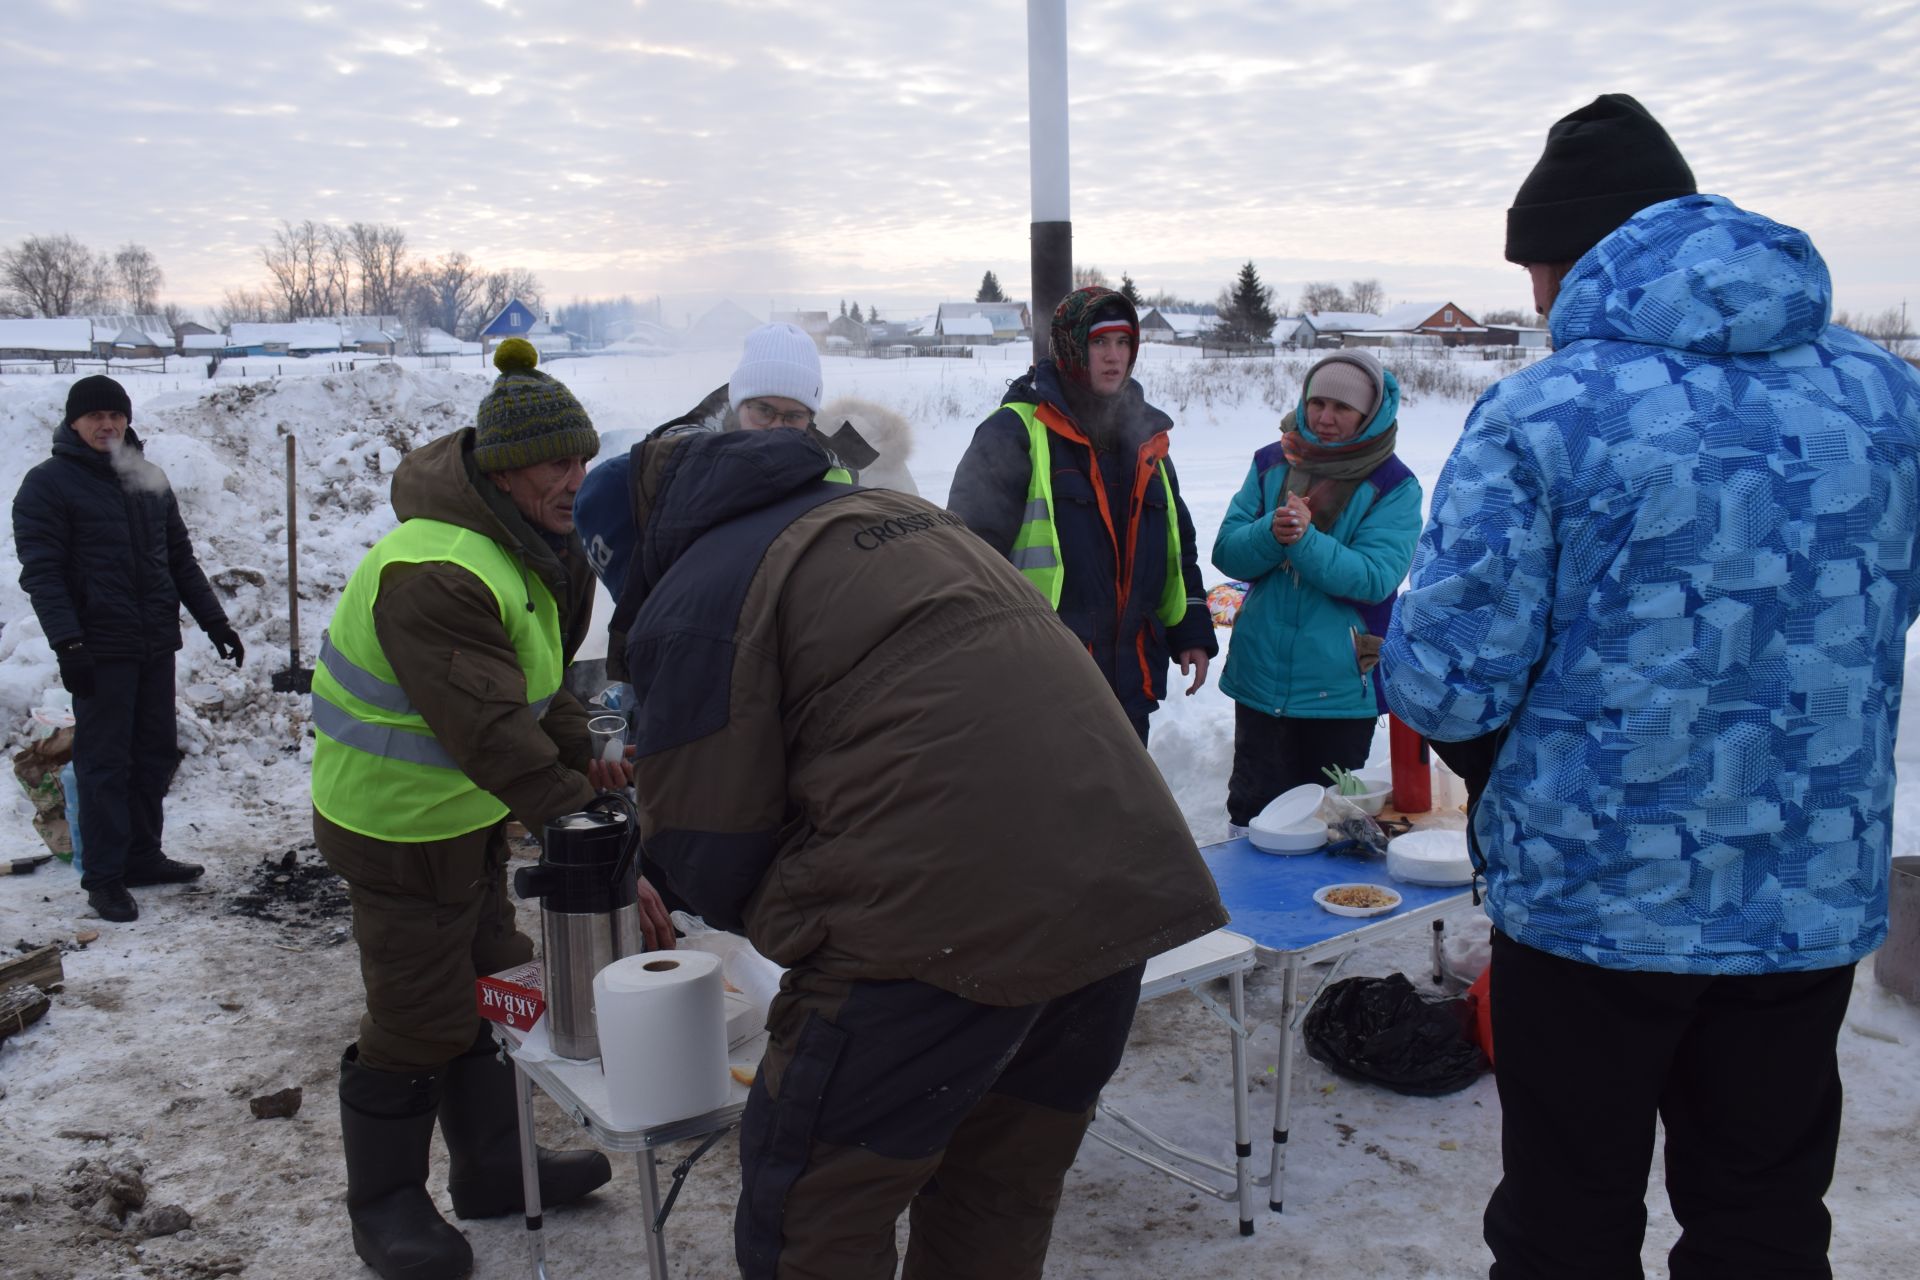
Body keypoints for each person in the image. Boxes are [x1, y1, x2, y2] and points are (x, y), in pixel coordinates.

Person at [1379, 93, 1920, 1279]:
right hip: (1804, 897)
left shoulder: (1551, 407)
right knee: (1766, 1224)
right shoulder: (1890, 400)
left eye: (1537, 271)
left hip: (1593, 909)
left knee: (1566, 1225)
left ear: (1586, 254)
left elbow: (1451, 680)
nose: (1537, 306)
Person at [607, 425, 1227, 1279]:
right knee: (994, 1193)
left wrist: (678, 870)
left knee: (811, 1212)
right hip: (1115, 893)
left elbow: (710, 849)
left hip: (938, 931)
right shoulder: (893, 513)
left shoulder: (700, 590)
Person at [309, 338, 671, 1280]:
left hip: (456, 814)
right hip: (394, 823)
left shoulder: (526, 551)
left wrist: (588, 765)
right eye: (558, 462)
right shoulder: (435, 572)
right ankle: (383, 1205)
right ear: (505, 470)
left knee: (491, 980)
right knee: (418, 1012)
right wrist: (578, 824)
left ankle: (493, 1170)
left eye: (585, 459)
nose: (576, 479)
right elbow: (487, 732)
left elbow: (531, 688)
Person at [12, 374, 242, 924]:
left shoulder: (147, 478)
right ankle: (106, 877)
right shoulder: (48, 485)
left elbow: (180, 560)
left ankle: (142, 856)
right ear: (73, 422)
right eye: (95, 417)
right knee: (105, 763)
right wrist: (69, 644)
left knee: (154, 753)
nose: (107, 425)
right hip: (99, 648)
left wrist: (216, 623)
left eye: (115, 415)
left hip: (154, 642)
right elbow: (43, 575)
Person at [948, 286, 1215, 743]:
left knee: (1126, 810)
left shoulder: (1145, 436)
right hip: (1045, 683)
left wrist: (1190, 627)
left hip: (1129, 681)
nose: (1114, 356)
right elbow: (966, 556)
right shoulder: (1014, 431)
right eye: (1098, 342)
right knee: (1051, 812)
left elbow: (1176, 543)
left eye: (1123, 342)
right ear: (1071, 345)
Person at [1210, 350, 1421, 833]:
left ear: (1367, 414)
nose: (1324, 418)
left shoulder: (1394, 484)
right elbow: (1228, 552)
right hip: (1260, 679)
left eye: (1342, 408)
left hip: (1339, 689)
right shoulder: (1270, 462)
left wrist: (1303, 540)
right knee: (1252, 814)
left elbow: (1374, 578)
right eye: (1316, 402)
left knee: (1330, 822)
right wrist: (1272, 531)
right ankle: (1248, 908)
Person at [637, 320, 919, 490]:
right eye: (764, 411)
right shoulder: (691, 459)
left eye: (793, 415)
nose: (777, 428)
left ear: (810, 416)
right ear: (738, 405)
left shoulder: (843, 453)